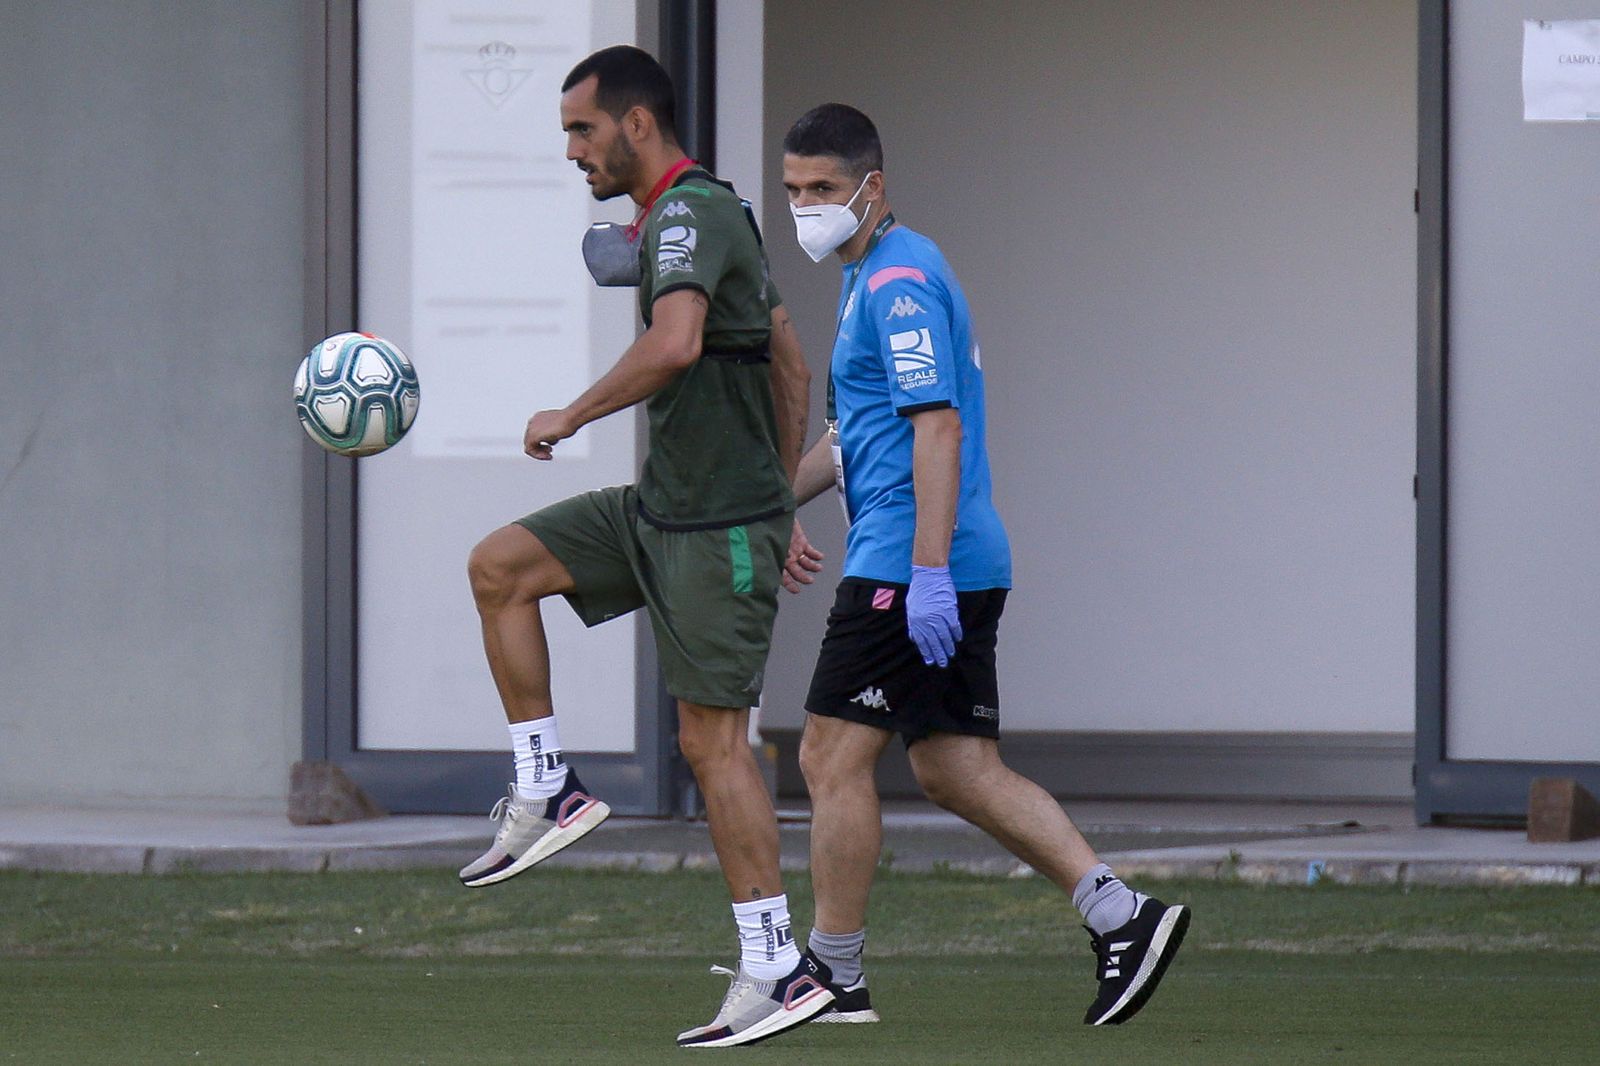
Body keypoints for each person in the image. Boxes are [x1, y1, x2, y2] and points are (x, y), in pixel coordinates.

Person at [778, 103, 1190, 1028]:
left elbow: (937, 425)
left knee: (826, 752)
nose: (807, 207)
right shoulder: (872, 275)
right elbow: (861, 435)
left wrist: (923, 572)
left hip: (913, 563)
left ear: (871, 187)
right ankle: (1123, 917)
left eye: (824, 190)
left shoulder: (898, 282)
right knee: (956, 768)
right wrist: (771, 505)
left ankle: (833, 973)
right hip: (942, 558)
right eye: (795, 190)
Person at [457, 46, 831, 1048]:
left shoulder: (692, 211)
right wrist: (782, 497)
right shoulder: (688, 217)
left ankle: (776, 967)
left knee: (710, 746)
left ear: (635, 123)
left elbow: (674, 345)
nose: (573, 151)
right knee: (499, 565)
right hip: (662, 511)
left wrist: (571, 413)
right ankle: (546, 786)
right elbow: (790, 359)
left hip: (714, 536)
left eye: (582, 130)